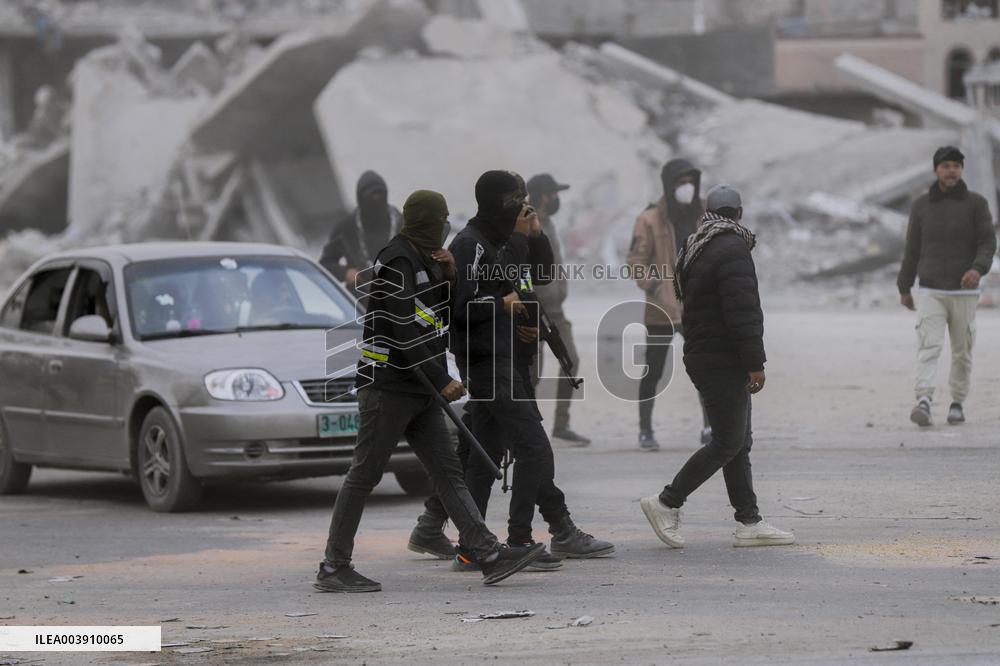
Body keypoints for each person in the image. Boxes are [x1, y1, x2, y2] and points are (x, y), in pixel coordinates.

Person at [315, 189, 544, 593]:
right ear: (423, 221)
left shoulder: (428, 259)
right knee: (363, 475)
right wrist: (441, 379)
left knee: (447, 472)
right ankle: (334, 567)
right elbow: (402, 328)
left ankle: (487, 553)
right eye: (440, 219)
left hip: (418, 389)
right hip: (388, 387)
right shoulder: (398, 260)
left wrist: (452, 273)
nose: (445, 226)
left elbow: (436, 315)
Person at [449, 170, 614, 564]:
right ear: (493, 203)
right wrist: (502, 306)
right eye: (513, 202)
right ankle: (520, 539)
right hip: (486, 363)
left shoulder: (505, 239)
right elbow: (460, 307)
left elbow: (537, 278)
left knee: (485, 456)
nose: (520, 210)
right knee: (534, 449)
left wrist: (535, 236)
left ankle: (471, 546)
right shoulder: (470, 244)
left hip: (510, 360)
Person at [639, 185, 793, 549]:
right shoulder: (733, 247)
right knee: (727, 441)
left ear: (707, 212)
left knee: (738, 441)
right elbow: (743, 311)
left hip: (706, 354)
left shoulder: (698, 243)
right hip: (723, 359)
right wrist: (755, 363)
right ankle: (666, 502)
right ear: (739, 213)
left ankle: (749, 521)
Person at [898, 146, 996, 427]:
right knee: (929, 346)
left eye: (956, 165)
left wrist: (977, 269)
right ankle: (924, 400)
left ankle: (957, 402)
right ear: (936, 170)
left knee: (962, 350)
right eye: (946, 166)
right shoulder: (920, 206)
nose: (951, 170)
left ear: (961, 170)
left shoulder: (977, 204)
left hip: (965, 291)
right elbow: (912, 248)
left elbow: (988, 243)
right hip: (930, 289)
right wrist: (905, 286)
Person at [627, 158, 710, 451]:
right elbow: (635, 261)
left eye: (690, 182)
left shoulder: (704, 215)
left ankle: (710, 426)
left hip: (697, 307)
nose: (686, 188)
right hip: (661, 309)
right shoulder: (649, 219)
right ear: (669, 184)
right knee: (653, 371)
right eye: (680, 183)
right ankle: (646, 430)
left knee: (706, 368)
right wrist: (656, 286)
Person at [525, 173, 589, 446]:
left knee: (571, 360)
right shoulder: (525, 223)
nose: (556, 199)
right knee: (532, 371)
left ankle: (561, 424)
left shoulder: (549, 223)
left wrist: (561, 289)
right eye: (553, 194)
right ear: (542, 195)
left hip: (556, 310)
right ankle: (527, 424)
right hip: (532, 310)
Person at [318, 170, 402, 293]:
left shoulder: (402, 222)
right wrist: (345, 273)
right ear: (361, 198)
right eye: (372, 195)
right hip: (364, 300)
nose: (377, 199)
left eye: (380, 194)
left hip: (404, 294)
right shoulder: (346, 228)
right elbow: (326, 263)